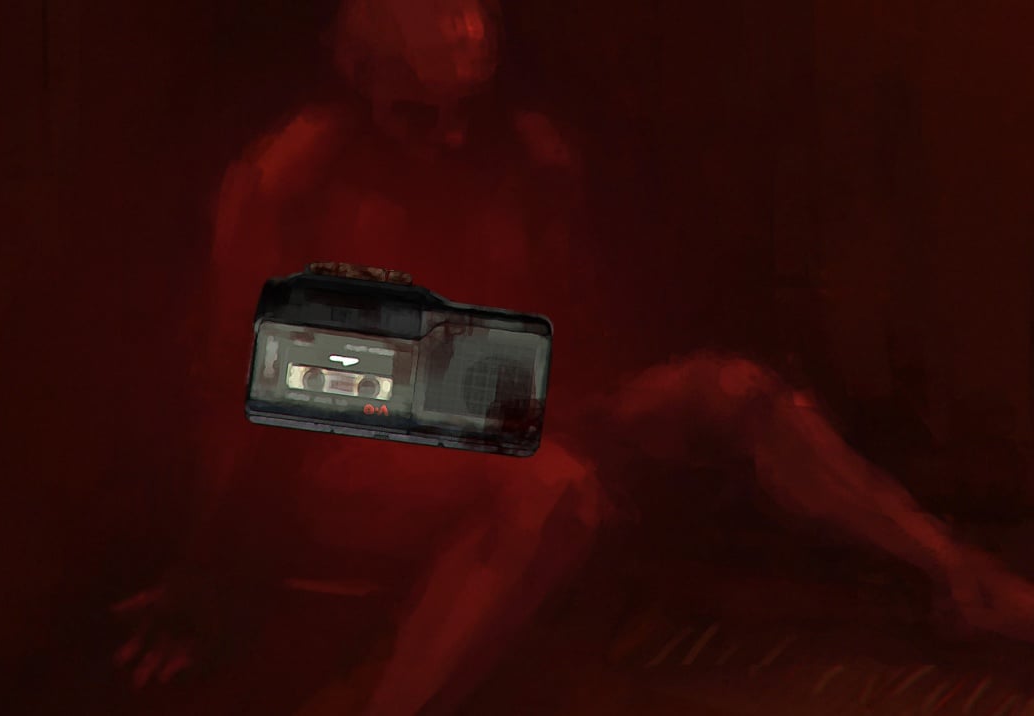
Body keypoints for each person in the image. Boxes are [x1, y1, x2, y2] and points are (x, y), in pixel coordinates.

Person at [115, 1, 1034, 713]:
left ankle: (962, 581)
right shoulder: (286, 177)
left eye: (466, 110)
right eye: (416, 115)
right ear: (353, 78)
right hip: (351, 462)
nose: (450, 139)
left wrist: (535, 372)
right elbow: (234, 381)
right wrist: (204, 571)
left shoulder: (530, 156)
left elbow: (565, 335)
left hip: (506, 410)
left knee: (734, 391)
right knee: (552, 486)